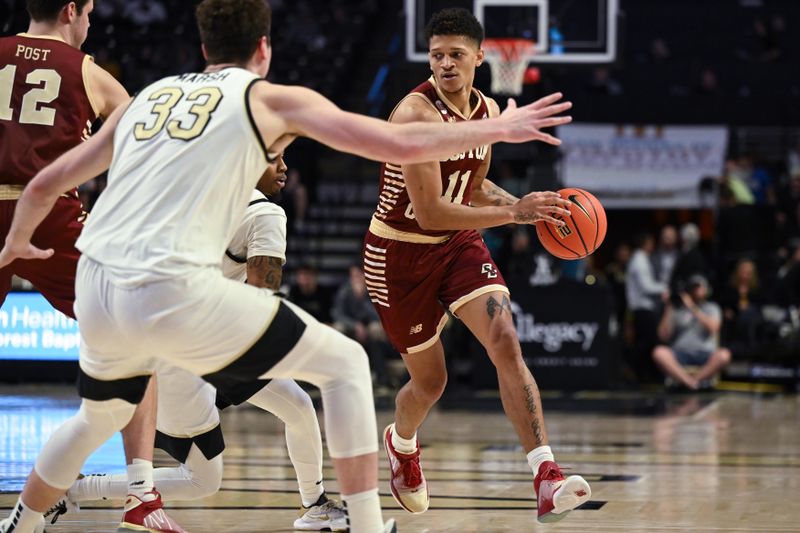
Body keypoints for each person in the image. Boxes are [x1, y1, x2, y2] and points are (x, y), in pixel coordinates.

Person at [0, 0, 573, 531]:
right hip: (171, 287)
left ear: (203, 50)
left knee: (94, 419)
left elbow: (49, 180)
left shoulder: (149, 95)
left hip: (101, 280)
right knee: (346, 365)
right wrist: (501, 128)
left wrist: (16, 242)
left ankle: (24, 521)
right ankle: (362, 523)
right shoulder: (267, 100)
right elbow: (393, 144)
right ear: (264, 50)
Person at [362, 8, 590, 524]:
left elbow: (472, 185)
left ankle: (546, 476)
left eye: (456, 55)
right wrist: (514, 213)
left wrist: (524, 209)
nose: (445, 64)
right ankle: (401, 443)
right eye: (437, 55)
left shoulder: (486, 109)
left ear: (480, 58)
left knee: (505, 340)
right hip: (400, 252)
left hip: (457, 242)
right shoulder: (415, 117)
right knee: (431, 384)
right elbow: (430, 210)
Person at [49, 155, 348, 531]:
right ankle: (69, 490)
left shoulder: (195, 196)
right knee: (202, 479)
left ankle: (315, 505)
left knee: (298, 404)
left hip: (184, 336)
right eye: (274, 159)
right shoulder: (265, 214)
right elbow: (260, 305)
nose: (286, 167)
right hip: (190, 352)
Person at [0, 2, 182, 531]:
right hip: (51, 213)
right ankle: (141, 496)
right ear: (71, 9)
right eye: (88, 15)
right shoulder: (86, 71)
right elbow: (143, 142)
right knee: (136, 336)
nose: (89, 26)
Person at [653, 275, 731, 389]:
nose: (696, 290)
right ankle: (690, 382)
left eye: (699, 287)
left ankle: (694, 380)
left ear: (706, 289)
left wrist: (692, 307)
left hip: (705, 354)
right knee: (659, 352)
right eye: (693, 287)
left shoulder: (711, 308)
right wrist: (668, 306)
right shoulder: (677, 309)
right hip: (680, 353)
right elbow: (663, 335)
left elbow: (713, 328)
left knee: (724, 355)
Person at [332, 264, 393, 388]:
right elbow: (338, 314)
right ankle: (340, 373)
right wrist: (355, 325)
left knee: (377, 328)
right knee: (339, 328)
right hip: (351, 328)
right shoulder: (345, 291)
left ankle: (380, 376)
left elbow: (378, 316)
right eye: (353, 276)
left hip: (369, 329)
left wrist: (361, 299)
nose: (356, 279)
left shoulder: (374, 291)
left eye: (359, 275)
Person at [626, 232, 667, 382]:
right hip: (642, 309)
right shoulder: (639, 259)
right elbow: (646, 286)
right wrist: (665, 288)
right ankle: (640, 376)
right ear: (646, 243)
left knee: (644, 343)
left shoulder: (640, 259)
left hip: (642, 308)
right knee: (645, 344)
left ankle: (642, 376)